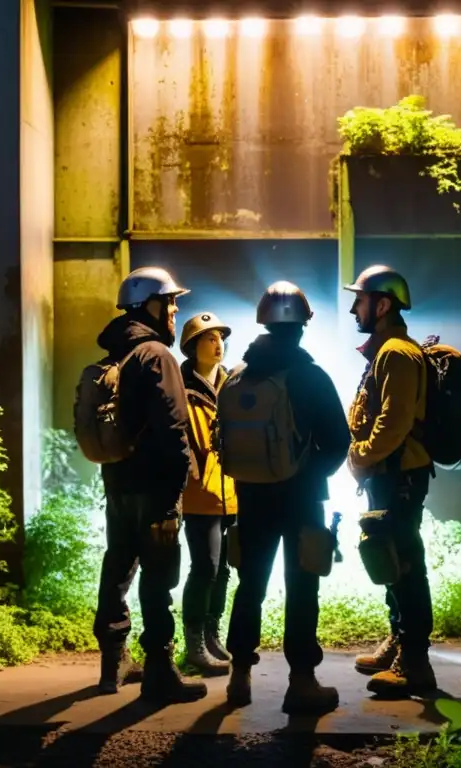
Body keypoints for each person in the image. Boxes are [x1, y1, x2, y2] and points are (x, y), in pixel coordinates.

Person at [219, 281, 351, 714]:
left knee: (250, 584)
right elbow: (337, 440)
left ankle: (239, 676)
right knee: (302, 588)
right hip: (301, 497)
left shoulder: (237, 376)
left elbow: (225, 444)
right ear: (302, 326)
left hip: (251, 497)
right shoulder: (310, 376)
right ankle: (301, 682)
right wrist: (308, 473)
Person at [91, 266, 207, 703]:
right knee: (159, 577)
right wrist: (181, 479)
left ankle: (113, 662)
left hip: (118, 480)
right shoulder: (156, 355)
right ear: (150, 306)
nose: (176, 310)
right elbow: (173, 425)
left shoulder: (115, 353)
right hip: (155, 485)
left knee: (118, 566)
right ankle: (160, 670)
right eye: (171, 302)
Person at [344, 264, 437, 698]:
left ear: (382, 305)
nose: (352, 308)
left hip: (399, 475)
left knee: (405, 565)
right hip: (389, 473)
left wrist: (359, 457)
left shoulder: (397, 353)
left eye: (360, 300)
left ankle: (414, 663)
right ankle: (399, 641)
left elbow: (393, 424)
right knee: (388, 558)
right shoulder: (385, 350)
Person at [178, 312, 237, 675]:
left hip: (232, 490)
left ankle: (213, 634)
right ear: (192, 346)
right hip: (199, 495)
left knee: (225, 569)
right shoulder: (180, 388)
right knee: (205, 566)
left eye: (220, 337)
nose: (217, 344)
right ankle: (194, 642)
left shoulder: (234, 384)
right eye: (208, 338)